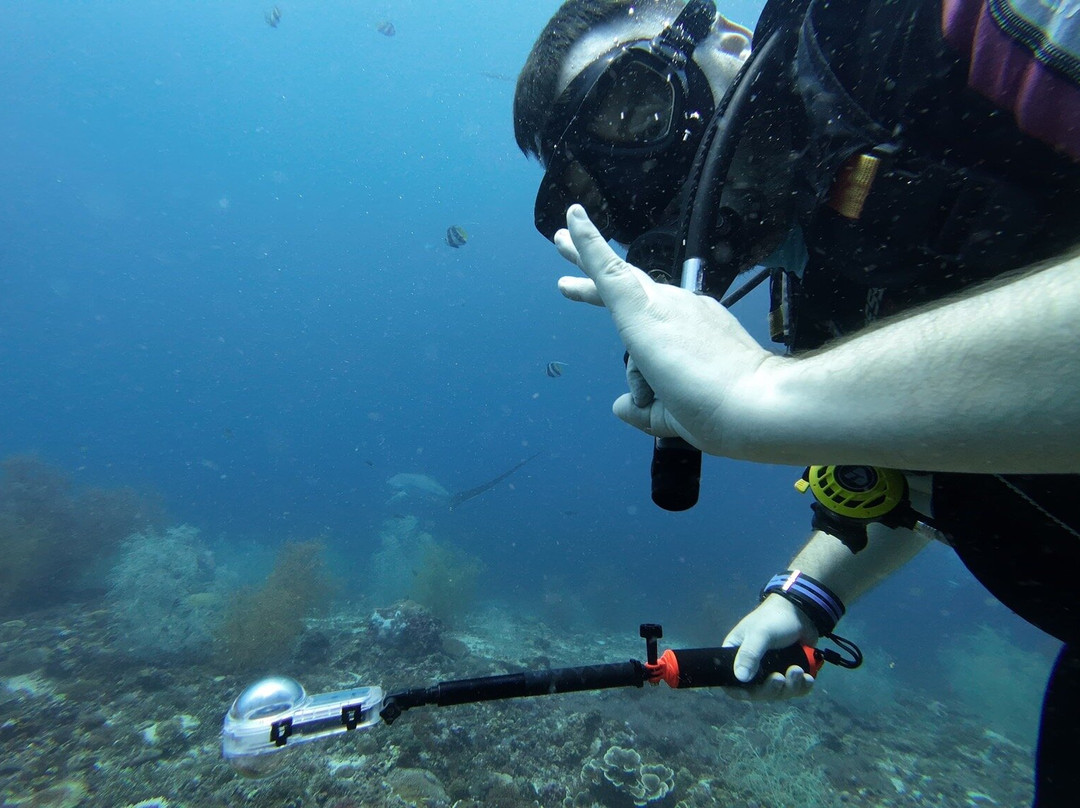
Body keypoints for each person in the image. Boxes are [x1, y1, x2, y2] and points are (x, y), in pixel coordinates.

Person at [513, 0, 1080, 804]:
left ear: (731, 42)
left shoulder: (954, 23)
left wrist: (764, 396)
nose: (641, 177)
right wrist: (809, 597)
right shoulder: (825, 290)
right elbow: (925, 463)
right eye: (594, 185)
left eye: (634, 108)